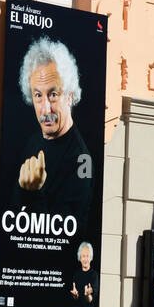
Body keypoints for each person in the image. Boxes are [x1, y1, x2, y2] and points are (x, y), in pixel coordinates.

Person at [11, 37, 93, 228]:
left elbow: (71, 233)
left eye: (53, 95)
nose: (46, 109)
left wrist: (34, 192)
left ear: (70, 96)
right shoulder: (32, 143)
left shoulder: (83, 160)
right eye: (38, 95)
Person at [70, 241, 99, 307]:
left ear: (91, 258)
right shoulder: (76, 275)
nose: (85, 259)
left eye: (87, 256)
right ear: (79, 258)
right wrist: (75, 296)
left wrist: (88, 295)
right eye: (83, 256)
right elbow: (75, 298)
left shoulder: (94, 275)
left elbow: (90, 299)